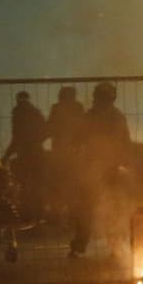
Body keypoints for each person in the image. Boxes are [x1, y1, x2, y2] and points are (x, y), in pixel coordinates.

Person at [69, 81, 131, 257]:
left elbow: (76, 140)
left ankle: (80, 247)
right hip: (103, 169)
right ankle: (115, 248)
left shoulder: (92, 116)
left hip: (96, 169)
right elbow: (125, 143)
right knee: (109, 208)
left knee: (90, 209)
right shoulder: (116, 117)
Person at [1, 91, 47, 221]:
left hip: (26, 155)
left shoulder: (18, 115)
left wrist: (7, 155)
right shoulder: (35, 113)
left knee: (25, 184)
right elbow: (43, 132)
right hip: (35, 154)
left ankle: (29, 214)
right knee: (34, 185)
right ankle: (37, 215)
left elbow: (16, 138)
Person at [46, 86, 85, 216]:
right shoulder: (78, 108)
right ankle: (73, 213)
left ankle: (61, 213)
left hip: (61, 153)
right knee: (73, 184)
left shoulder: (56, 108)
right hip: (75, 153)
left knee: (60, 183)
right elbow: (84, 128)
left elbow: (49, 128)